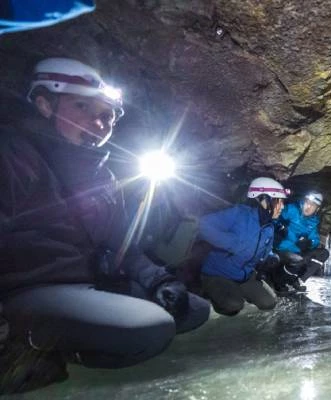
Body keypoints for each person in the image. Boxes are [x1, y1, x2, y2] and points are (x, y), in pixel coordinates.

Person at [0, 57, 210, 394]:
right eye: (82, 107)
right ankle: (30, 348)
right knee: (151, 329)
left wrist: (161, 281)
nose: (98, 122)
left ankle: (76, 335)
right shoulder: (14, 153)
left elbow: (123, 246)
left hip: (89, 283)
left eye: (106, 115)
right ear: (44, 104)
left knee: (193, 310)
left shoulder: (104, 175)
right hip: (30, 290)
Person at [197, 177, 288, 316]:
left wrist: (270, 257)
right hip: (218, 273)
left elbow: (266, 249)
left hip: (245, 275)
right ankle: (209, 289)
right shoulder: (239, 214)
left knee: (269, 303)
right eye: (278, 201)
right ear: (263, 199)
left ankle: (236, 291)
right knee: (233, 305)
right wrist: (230, 243)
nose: (282, 206)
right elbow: (203, 225)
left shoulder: (269, 226)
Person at [271, 191, 330, 294]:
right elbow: (274, 219)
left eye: (313, 205)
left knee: (324, 253)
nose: (309, 206)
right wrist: (280, 228)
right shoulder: (291, 209)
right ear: (304, 201)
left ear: (317, 209)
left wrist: (309, 242)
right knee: (298, 259)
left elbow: (315, 238)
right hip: (282, 247)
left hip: (298, 249)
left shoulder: (313, 221)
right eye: (307, 202)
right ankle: (279, 282)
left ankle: (298, 281)